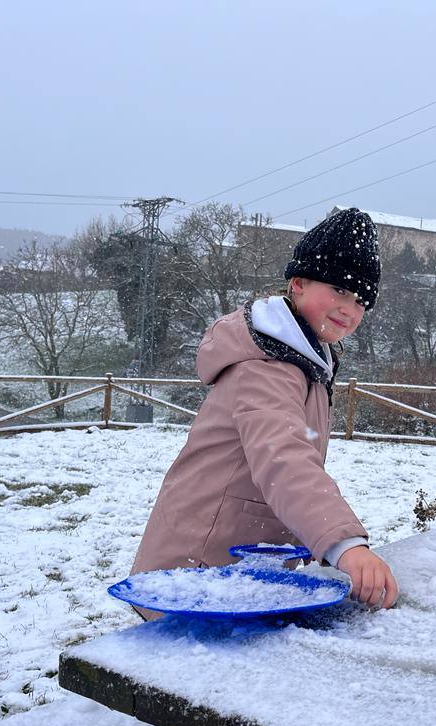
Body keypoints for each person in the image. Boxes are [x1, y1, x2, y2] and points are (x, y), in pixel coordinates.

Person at [131, 207, 399, 612]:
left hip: (242, 566)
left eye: (362, 301)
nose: (351, 308)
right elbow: (284, 459)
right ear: (299, 284)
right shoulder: (265, 368)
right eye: (340, 291)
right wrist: (345, 544)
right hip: (198, 568)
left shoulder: (308, 361)